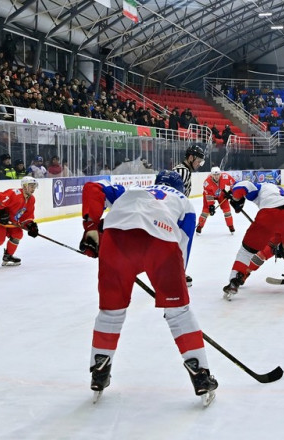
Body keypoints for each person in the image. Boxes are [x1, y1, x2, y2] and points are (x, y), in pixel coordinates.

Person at [78, 170, 217, 405]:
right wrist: (173, 285)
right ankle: (200, 374)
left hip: (115, 241)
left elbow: (93, 187)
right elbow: (183, 245)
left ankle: (99, 370)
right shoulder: (183, 202)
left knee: (111, 312)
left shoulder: (130, 190)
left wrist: (92, 227)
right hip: (161, 244)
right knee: (179, 313)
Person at [0, 176, 39, 271]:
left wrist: (30, 225)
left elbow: (27, 216)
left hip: (10, 220)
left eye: (34, 186)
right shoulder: (14, 193)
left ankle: (8, 257)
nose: (33, 188)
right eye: (31, 186)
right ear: (24, 186)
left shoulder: (31, 199)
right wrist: (2, 212)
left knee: (17, 234)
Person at [173, 145, 205, 287]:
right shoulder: (181, 171)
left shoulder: (184, 171)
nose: (199, 164)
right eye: (198, 161)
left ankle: (175, 271)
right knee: (181, 244)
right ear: (190, 158)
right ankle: (177, 274)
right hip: (174, 215)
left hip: (175, 213)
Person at [197, 167, 236, 235]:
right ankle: (199, 226)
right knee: (206, 211)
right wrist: (211, 205)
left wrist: (230, 192)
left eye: (218, 174)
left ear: (220, 174)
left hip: (221, 194)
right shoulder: (207, 182)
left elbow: (234, 183)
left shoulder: (225, 176)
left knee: (227, 210)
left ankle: (230, 226)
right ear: (211, 175)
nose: (216, 176)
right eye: (214, 175)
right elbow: (208, 195)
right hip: (210, 195)